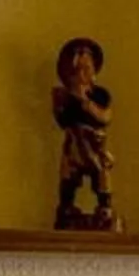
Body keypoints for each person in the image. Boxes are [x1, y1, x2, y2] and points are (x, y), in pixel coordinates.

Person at [51, 36, 118, 231]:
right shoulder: (63, 96)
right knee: (69, 174)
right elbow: (62, 120)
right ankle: (66, 207)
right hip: (75, 141)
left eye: (87, 69)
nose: (82, 74)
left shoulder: (99, 95)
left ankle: (104, 207)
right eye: (77, 69)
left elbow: (105, 117)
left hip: (95, 141)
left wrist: (86, 103)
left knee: (101, 172)